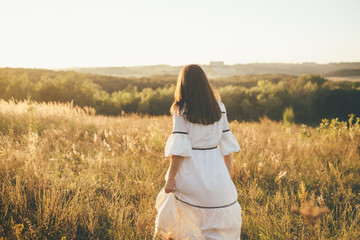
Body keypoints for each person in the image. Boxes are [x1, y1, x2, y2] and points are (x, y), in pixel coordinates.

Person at [154, 64, 242, 240]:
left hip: (190, 169)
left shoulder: (181, 109)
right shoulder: (220, 107)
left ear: (183, 84)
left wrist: (170, 180)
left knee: (180, 215)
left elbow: (178, 152)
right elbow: (227, 147)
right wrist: (227, 176)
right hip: (216, 168)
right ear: (204, 82)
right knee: (217, 214)